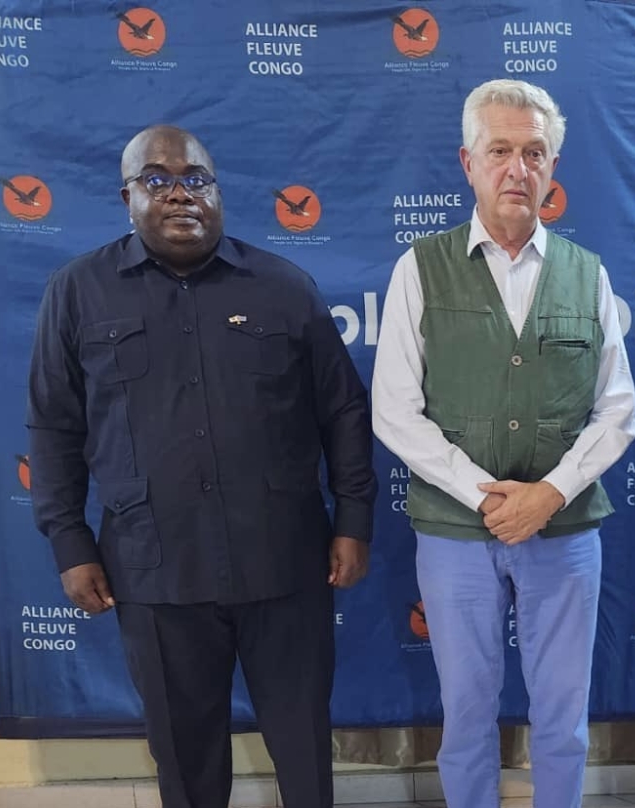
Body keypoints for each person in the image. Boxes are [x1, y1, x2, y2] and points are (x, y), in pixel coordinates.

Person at [27, 125, 377, 808]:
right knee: (185, 765)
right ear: (127, 195)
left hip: (285, 565)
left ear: (218, 192)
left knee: (305, 749)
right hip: (156, 571)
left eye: (197, 178)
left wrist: (354, 519)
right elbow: (52, 427)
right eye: (157, 180)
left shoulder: (283, 286)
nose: (180, 192)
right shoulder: (76, 293)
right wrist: (70, 543)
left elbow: (343, 411)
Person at [372, 79, 635, 808]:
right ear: (468, 161)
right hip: (457, 532)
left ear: (552, 166)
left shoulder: (587, 274)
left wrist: (550, 494)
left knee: (563, 719)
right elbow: (394, 411)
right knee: (465, 719)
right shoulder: (418, 269)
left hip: (566, 528)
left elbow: (617, 410)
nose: (516, 168)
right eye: (500, 151)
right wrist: (486, 496)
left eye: (534, 152)